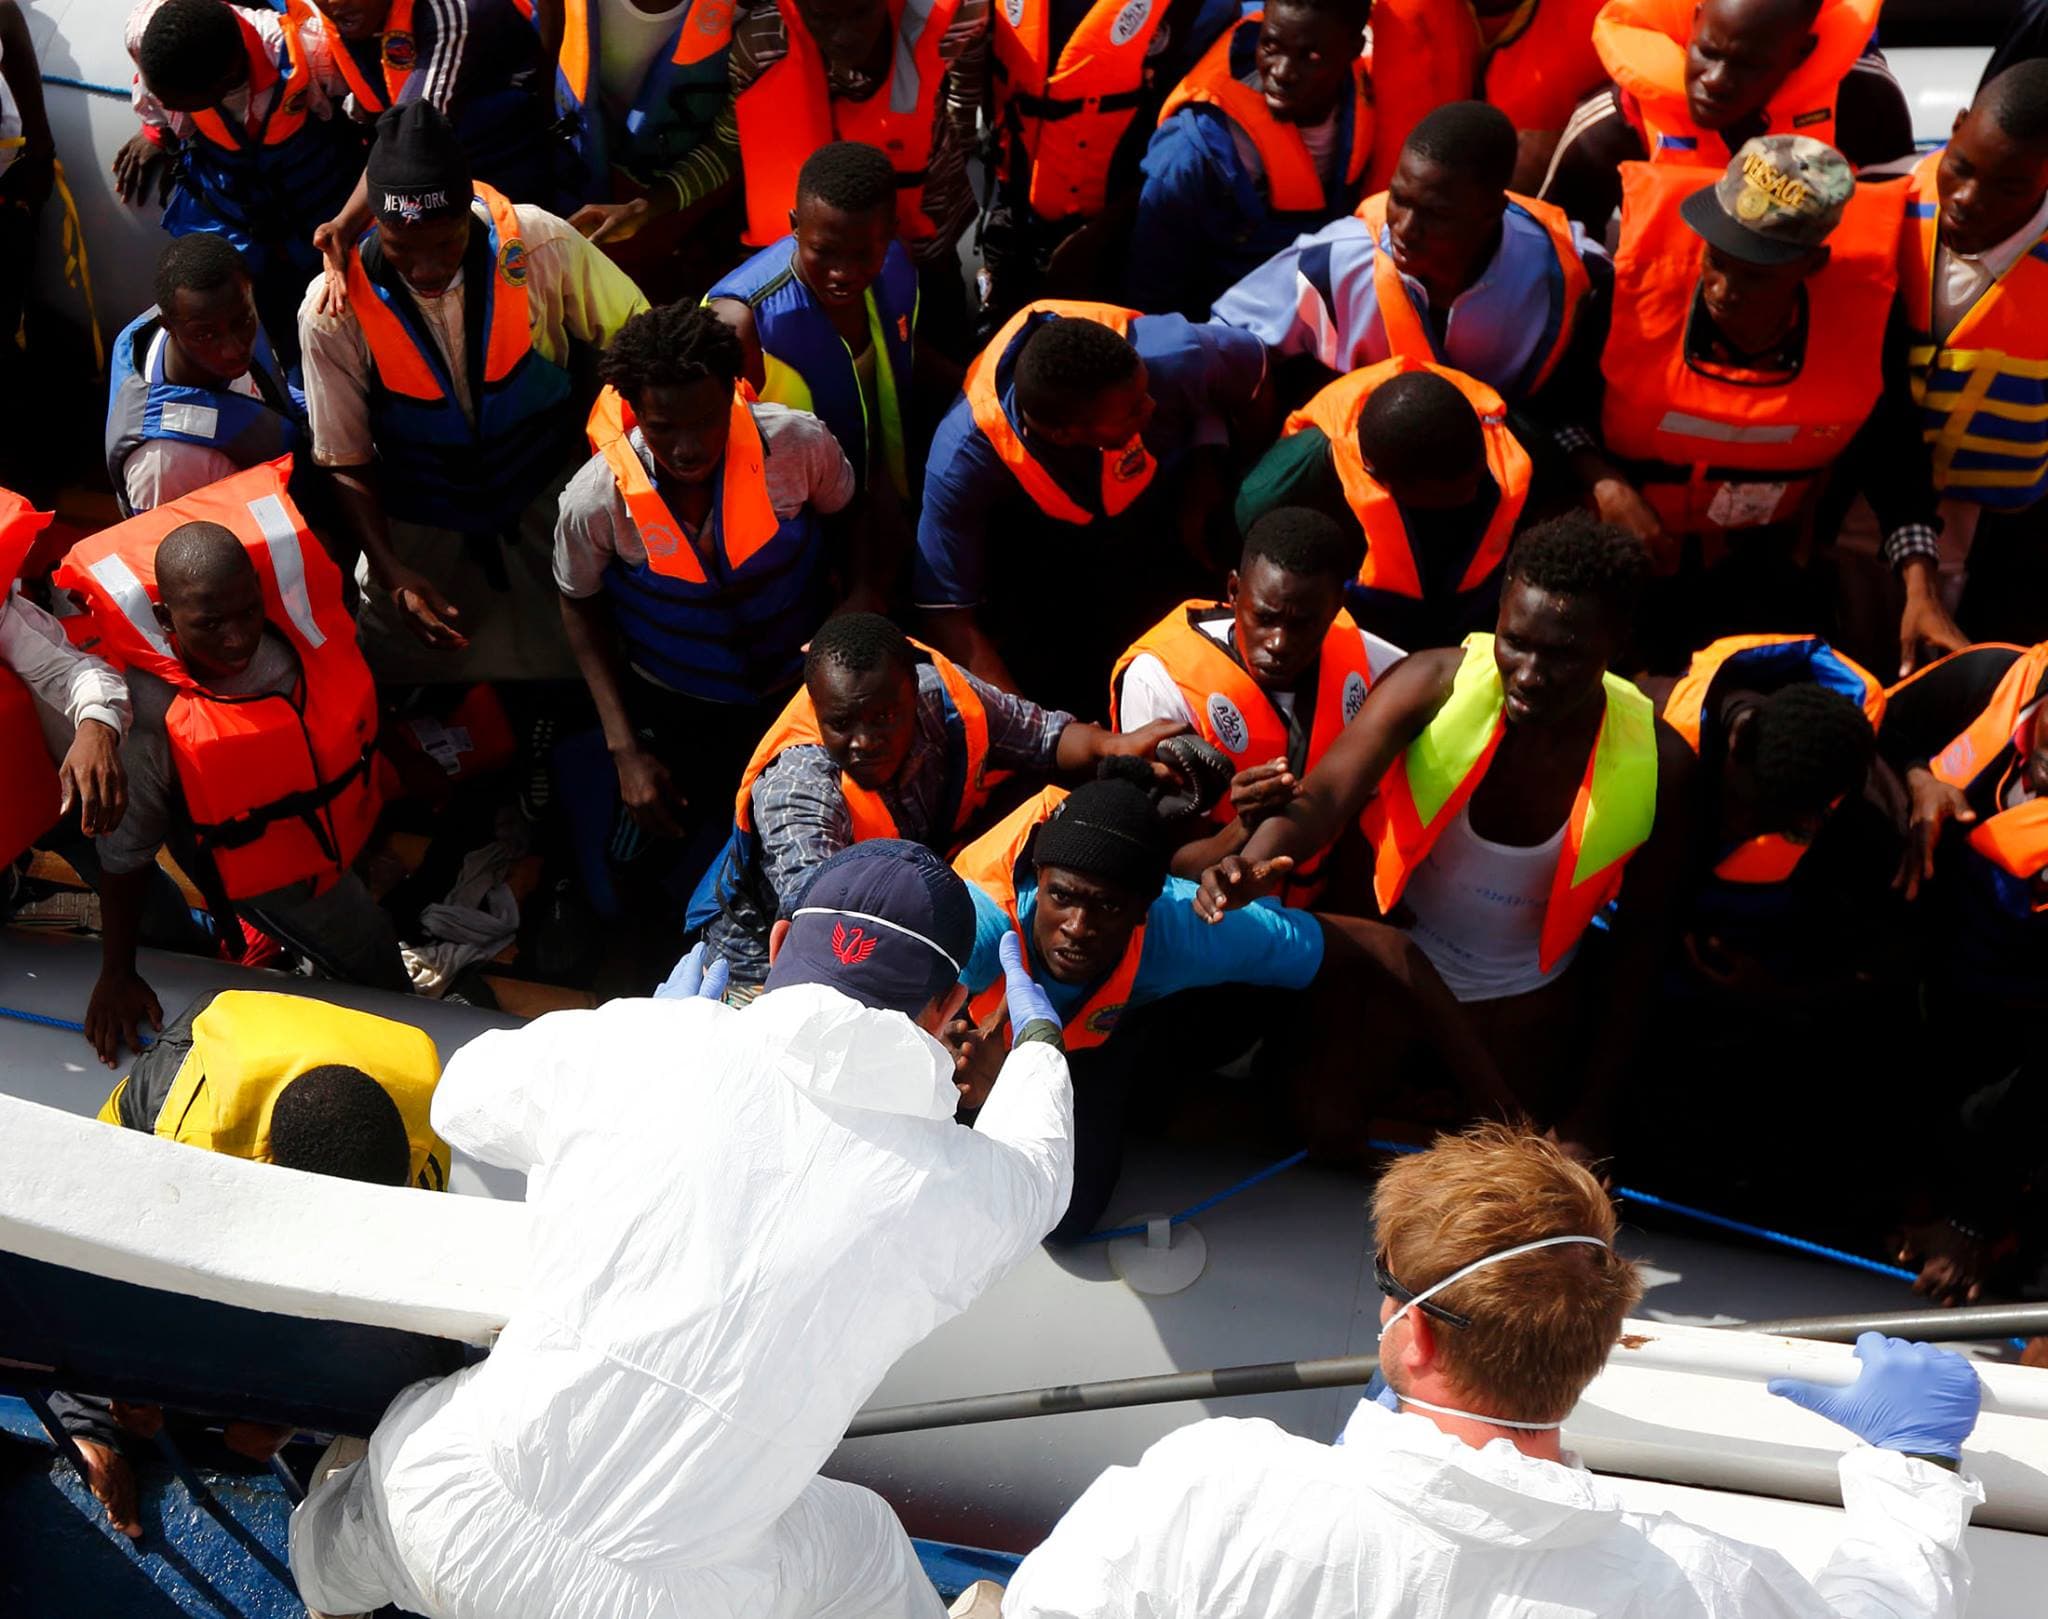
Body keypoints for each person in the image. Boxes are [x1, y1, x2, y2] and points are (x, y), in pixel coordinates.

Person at [289, 839, 1076, 1619]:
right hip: (659, 1606)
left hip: (447, 1519)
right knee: (865, 1542)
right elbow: (1041, 1173)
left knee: (402, 1476)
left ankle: (325, 1591)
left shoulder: (646, 1043)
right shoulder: (960, 1186)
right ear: (942, 1012)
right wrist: (1039, 1048)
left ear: (776, 942)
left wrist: (633, 1027)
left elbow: (462, 1099)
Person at [1001, 1122, 1986, 1619]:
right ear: (1594, 1349)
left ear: (1412, 1340)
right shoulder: (1691, 1583)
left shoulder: (1211, 1485)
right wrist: (1909, 1467)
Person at [1198, 516, 1695, 1153]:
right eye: (1515, 641)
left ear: (1617, 644)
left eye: (1563, 654)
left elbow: (1639, 953)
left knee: (1511, 1166)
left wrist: (1591, 1117)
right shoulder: (1429, 682)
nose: (1530, 675)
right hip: (1396, 971)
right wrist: (1256, 862)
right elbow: (1323, 795)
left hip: (1525, 1000)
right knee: (1321, 1130)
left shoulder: (1666, 764)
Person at [953, 768, 1506, 1237]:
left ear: (1145, 910)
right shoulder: (975, 931)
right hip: (971, 1046)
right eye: (1061, 896)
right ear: (1038, 881)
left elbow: (1385, 946)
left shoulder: (1182, 926)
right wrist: (970, 1079)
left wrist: (1507, 1119)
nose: (1077, 927)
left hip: (1100, 1039)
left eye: (1108, 908)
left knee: (1070, 1218)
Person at [58, 985, 446, 1540]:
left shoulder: (422, 1157)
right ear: (270, 1169)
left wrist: (288, 1412)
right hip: (204, 1062)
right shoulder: (179, 1126)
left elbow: (380, 1297)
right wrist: (124, 1382)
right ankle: (91, 1423)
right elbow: (98, 1238)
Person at [54, 469, 407, 1067]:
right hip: (264, 865)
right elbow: (125, 856)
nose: (237, 637)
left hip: (336, 819)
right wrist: (117, 973)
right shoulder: (154, 714)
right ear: (167, 621)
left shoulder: (300, 631)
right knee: (374, 955)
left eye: (246, 612)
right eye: (209, 624)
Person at [299, 103, 647, 682]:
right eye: (402, 247)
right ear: (374, 226)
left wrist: (612, 465)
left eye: (445, 243)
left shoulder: (539, 243)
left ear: (467, 210)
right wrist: (390, 571)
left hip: (544, 489)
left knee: (575, 656)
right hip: (422, 514)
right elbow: (343, 456)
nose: (426, 267)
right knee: (409, 661)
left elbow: (635, 331)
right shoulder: (329, 313)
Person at [1566, 136, 1930, 655]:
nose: (1723, 287)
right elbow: (1555, 412)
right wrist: (1606, 487)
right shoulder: (1627, 294)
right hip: (1624, 556)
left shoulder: (1865, 321)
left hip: (1766, 566)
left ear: (1812, 265)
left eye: (1754, 275)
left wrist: (1920, 587)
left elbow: (1894, 454)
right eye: (1715, 259)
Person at [699, 611, 1186, 989]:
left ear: (912, 690)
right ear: (816, 708)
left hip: (918, 896)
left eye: (884, 717)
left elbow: (1045, 736)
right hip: (769, 961)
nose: (864, 741)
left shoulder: (946, 695)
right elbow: (824, 927)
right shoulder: (797, 790)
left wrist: (1115, 746)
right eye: (841, 724)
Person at [555, 302, 862, 842]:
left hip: (806, 694)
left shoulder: (798, 444)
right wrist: (625, 749)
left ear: (731, 394)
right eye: (664, 427)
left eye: (705, 422)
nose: (687, 446)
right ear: (635, 410)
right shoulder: (593, 501)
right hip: (681, 708)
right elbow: (578, 602)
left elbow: (862, 534)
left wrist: (856, 613)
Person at [916, 299, 1269, 713]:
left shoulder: (1170, 356)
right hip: (1050, 545)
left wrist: (1223, 480)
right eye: (1135, 409)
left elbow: (1255, 376)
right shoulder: (962, 458)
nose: (1151, 406)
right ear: (1064, 435)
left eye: (1145, 392)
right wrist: (1036, 732)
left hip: (1166, 489)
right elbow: (947, 613)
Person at [1843, 63, 2048, 668]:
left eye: (2009, 186)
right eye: (1962, 165)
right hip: (1858, 508)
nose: (1967, 199)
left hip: (2001, 528)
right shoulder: (1873, 198)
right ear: (1956, 128)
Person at [1211, 102, 1600, 413]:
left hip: (1497, 456)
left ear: (1490, 212)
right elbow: (1226, 338)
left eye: (1435, 214)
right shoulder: (1337, 260)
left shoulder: (1566, 268)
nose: (1405, 228)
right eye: (1399, 199)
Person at [1111, 508, 1404, 893]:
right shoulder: (1162, 681)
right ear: (1233, 592)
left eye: (1302, 624)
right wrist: (1243, 824)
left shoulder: (1365, 657)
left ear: (1335, 608)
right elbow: (1157, 862)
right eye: (1264, 618)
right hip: (1208, 912)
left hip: (1317, 900)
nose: (1279, 643)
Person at [706, 0, 991, 356]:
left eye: (861, 11)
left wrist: (958, 132)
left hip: (926, 249)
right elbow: (728, 144)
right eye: (822, 13)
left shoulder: (950, 17)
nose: (844, 35)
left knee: (942, 350)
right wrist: (654, 202)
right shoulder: (763, 43)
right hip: (813, 267)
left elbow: (967, 86)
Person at [116, 0, 363, 368]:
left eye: (177, 103)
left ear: (229, 75)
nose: (166, 106)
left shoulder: (305, 53)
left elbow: (369, 110)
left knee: (340, 321)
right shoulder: (149, 37)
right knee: (267, 321)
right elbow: (156, 89)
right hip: (238, 214)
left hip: (317, 210)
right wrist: (156, 133)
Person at [1540, 0, 1912, 232]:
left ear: (1801, 54)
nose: (1716, 81)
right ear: (1695, 22)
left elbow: (1899, 232)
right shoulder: (1616, 121)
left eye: (1749, 65)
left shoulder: (1864, 100)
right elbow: (1557, 250)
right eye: (1707, 52)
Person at [1238, 358, 1532, 651]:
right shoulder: (1282, 490)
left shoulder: (1505, 441)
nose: (1473, 495)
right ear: (1377, 477)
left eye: (1476, 476)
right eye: (1449, 493)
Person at [978, 0, 1240, 316]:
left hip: (1110, 232)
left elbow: (1183, 141)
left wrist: (1101, 235)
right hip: (1010, 213)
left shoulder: (1203, 10)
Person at [1129, 0, 1375, 319]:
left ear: (1354, 49)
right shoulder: (1191, 153)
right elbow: (1150, 300)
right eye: (1270, 45)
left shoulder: (1369, 90)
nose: (1283, 73)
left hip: (1326, 307)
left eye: (1311, 56)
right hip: (1227, 335)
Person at [706, 141, 919, 503]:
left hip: (878, 497)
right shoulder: (741, 321)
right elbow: (712, 448)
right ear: (795, 227)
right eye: (824, 251)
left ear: (890, 236)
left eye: (862, 255)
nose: (843, 273)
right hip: (799, 521)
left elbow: (908, 354)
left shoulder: (897, 267)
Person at [106, 235, 309, 517]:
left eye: (242, 321)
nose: (234, 349)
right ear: (168, 326)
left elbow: (275, 393)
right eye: (205, 335)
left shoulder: (222, 309)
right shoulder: (165, 466)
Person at [0, 490, 129, 873]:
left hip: (30, 795)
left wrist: (97, 726)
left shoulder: (7, 620)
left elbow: (74, 671)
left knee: (100, 851)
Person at [1367, 0, 1608, 193]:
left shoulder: (1609, 19)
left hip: (1535, 220)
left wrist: (1572, 147)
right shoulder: (1381, 15)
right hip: (1399, 221)